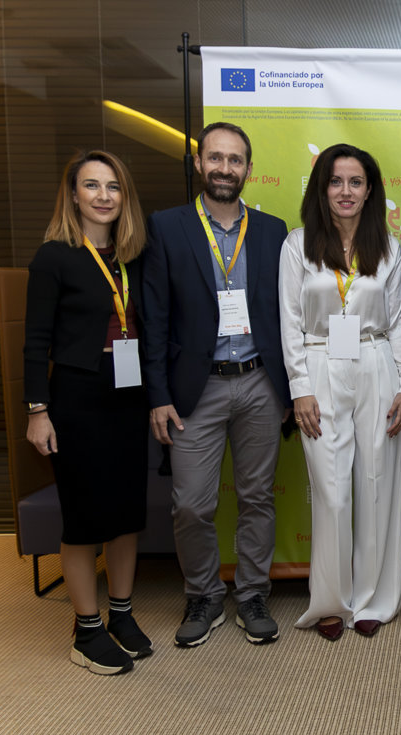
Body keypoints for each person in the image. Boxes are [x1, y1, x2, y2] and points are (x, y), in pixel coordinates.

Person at [142, 122, 290, 647]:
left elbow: (286, 315)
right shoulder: (167, 227)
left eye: (235, 159)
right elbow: (154, 318)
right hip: (194, 390)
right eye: (216, 158)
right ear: (198, 163)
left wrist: (291, 387)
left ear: (249, 168)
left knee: (257, 498)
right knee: (191, 505)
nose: (225, 168)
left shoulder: (273, 231)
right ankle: (203, 594)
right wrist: (158, 396)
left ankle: (252, 594)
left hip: (259, 383)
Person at [280, 144, 401, 642]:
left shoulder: (389, 246)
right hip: (319, 365)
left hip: (376, 362)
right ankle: (332, 601)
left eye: (355, 182)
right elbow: (289, 322)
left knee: (376, 484)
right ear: (322, 189)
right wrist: (299, 389)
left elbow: (396, 320)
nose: (345, 191)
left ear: (370, 190)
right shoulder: (297, 244)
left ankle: (373, 600)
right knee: (333, 492)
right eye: (335, 181)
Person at [24, 149, 150, 675]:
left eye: (113, 186)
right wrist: (38, 410)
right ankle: (86, 629)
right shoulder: (54, 257)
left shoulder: (133, 255)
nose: (103, 196)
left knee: (126, 514)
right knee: (83, 518)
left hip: (129, 392)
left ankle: (120, 613)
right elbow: (35, 341)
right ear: (73, 195)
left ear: (125, 197)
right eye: (92, 185)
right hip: (77, 395)